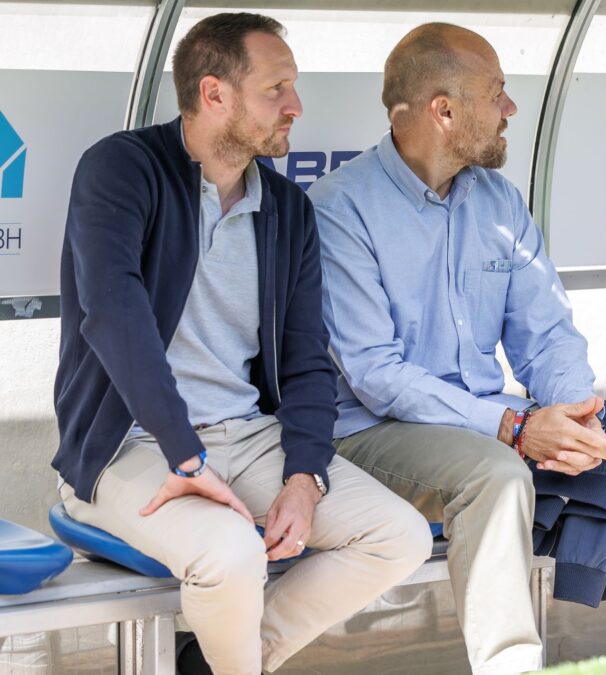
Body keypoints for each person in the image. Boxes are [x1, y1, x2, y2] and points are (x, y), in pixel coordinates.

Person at [308, 22, 606, 674]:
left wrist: (576, 414)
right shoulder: (339, 207)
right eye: (496, 93)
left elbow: (546, 331)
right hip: (377, 431)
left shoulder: (498, 199)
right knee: (493, 475)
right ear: (444, 110)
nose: (510, 110)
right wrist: (516, 425)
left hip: (500, 421)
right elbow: (373, 373)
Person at [51, 13, 431, 674]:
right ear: (213, 93)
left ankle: (221, 664)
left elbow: (308, 356)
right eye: (275, 88)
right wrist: (186, 454)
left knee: (397, 536)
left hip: (247, 436)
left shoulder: (288, 209)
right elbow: (114, 318)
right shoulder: (121, 169)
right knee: (232, 555)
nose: (295, 106)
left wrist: (306, 474)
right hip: (130, 443)